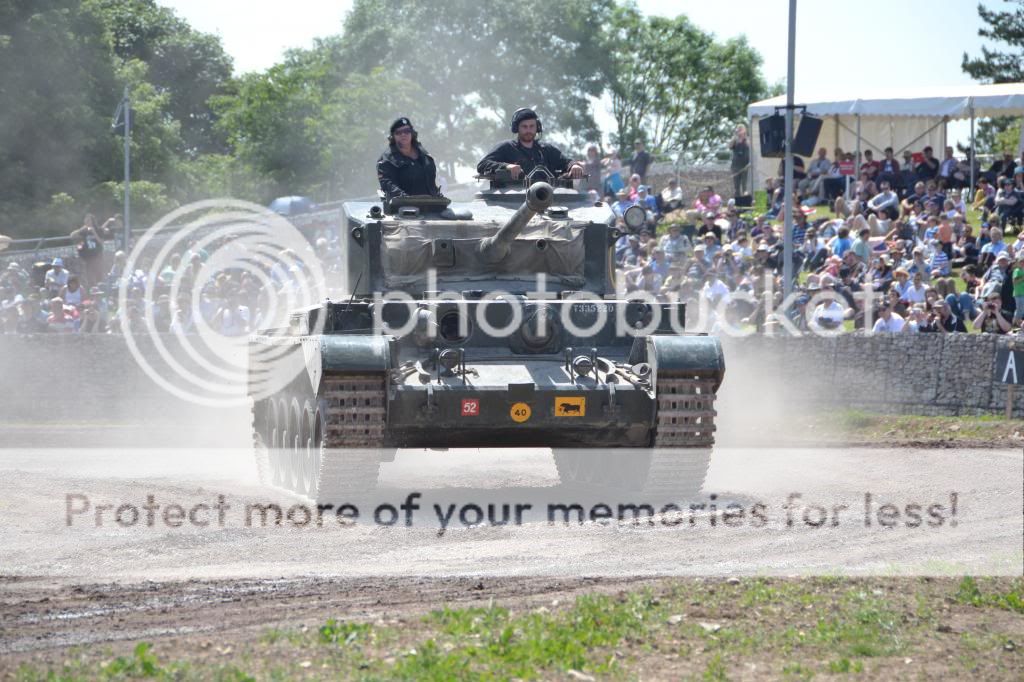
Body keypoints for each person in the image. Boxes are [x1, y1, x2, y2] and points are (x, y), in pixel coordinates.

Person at [477, 108, 583, 181]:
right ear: (516, 128)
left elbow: (566, 162)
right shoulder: (506, 148)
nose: (528, 130)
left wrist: (574, 166)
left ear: (537, 128)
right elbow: (482, 165)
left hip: (547, 199)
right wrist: (507, 166)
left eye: (532, 126)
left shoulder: (546, 150)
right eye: (524, 126)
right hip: (514, 199)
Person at [376, 117, 442, 205]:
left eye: (407, 131)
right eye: (398, 132)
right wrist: (406, 199)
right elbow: (388, 184)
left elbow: (431, 182)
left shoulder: (424, 156)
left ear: (412, 133)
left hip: (430, 206)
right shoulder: (386, 160)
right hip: (403, 210)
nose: (403, 134)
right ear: (393, 137)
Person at [729, 124, 750, 198]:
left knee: (745, 186)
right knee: (736, 187)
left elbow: (749, 146)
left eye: (741, 129)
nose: (740, 131)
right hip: (735, 166)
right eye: (739, 129)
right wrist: (735, 136)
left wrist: (744, 137)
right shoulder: (735, 139)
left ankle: (745, 202)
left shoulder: (747, 139)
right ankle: (737, 203)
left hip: (745, 166)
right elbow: (730, 146)